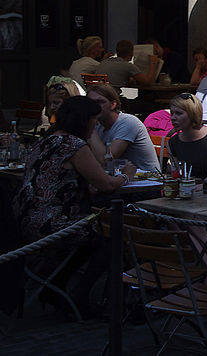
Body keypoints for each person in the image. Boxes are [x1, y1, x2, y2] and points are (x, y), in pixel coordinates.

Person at [14, 95, 134, 317]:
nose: (95, 126)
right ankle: (80, 296)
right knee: (110, 237)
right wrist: (126, 175)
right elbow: (107, 183)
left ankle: (56, 286)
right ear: (84, 120)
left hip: (25, 220)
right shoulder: (74, 145)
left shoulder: (46, 140)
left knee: (92, 235)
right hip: (52, 224)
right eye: (93, 121)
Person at [84, 83, 159, 171]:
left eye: (100, 102)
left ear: (113, 104)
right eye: (90, 102)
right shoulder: (98, 124)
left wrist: (90, 126)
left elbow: (106, 160)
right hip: (120, 177)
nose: (94, 106)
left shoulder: (128, 122)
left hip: (147, 180)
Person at [95, 39, 161, 88]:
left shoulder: (104, 62)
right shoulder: (128, 66)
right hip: (112, 99)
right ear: (131, 53)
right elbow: (148, 82)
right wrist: (153, 63)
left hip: (98, 96)